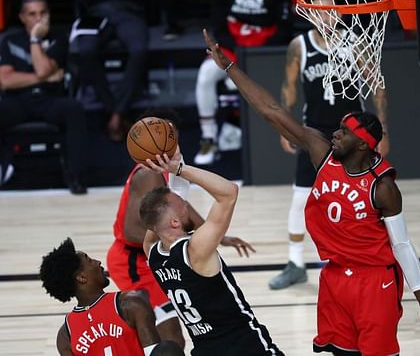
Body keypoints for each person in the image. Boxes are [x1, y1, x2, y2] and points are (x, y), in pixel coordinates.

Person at [203, 29, 420, 354]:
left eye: (344, 133)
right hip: (333, 277)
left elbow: (402, 245)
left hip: (375, 282)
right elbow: (272, 110)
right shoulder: (322, 154)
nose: (335, 134)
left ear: (362, 144)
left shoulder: (383, 187)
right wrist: (229, 67)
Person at [107, 107, 256, 350]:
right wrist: (180, 244)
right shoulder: (148, 175)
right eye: (160, 133)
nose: (168, 142)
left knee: (171, 334)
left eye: (169, 134)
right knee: (171, 336)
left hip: (155, 255)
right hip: (132, 262)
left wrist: (218, 236)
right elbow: (129, 233)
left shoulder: (166, 174)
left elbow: (180, 206)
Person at [268, 27, 390, 290]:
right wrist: (284, 129)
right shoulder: (299, 45)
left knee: (360, 199)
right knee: (301, 198)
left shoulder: (356, 42)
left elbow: (375, 83)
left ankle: (367, 259)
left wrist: (384, 129)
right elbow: (288, 89)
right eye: (320, 10)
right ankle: (295, 263)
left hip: (352, 134)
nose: (325, 16)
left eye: (329, 10)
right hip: (313, 133)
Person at [139, 152, 284, 355]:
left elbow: (158, 215)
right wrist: (179, 169)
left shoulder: (152, 253)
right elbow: (229, 192)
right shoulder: (195, 250)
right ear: (174, 222)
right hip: (244, 346)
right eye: (184, 205)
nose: (187, 204)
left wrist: (174, 159)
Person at [194, 0, 291, 165]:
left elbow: (285, 28)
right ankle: (209, 138)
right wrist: (241, 56)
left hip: (264, 52)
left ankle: (270, 132)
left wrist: (258, 55)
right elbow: (219, 29)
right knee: (205, 75)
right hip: (233, 49)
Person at [0, 0, 88, 194]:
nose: (38, 19)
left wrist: (34, 39)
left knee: (73, 109)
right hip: (18, 101)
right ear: (22, 17)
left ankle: (75, 176)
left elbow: (40, 68)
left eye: (42, 13)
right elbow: (5, 80)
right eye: (32, 14)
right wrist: (45, 77)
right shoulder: (9, 41)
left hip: (49, 100)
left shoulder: (59, 38)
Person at [40, 237, 162, 355]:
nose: (98, 262)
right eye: (89, 260)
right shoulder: (132, 303)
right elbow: (155, 353)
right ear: (81, 278)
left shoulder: (65, 336)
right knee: (169, 350)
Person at [73, 0, 151, 141]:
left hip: (129, 12)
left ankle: (116, 113)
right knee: (86, 50)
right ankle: (115, 110)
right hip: (94, 14)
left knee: (139, 49)